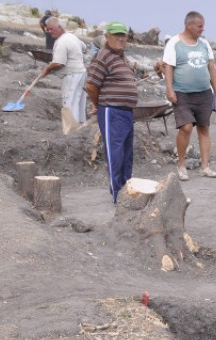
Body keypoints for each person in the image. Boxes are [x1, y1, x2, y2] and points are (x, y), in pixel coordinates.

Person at [163, 11, 216, 181]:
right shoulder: (174, 43)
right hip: (182, 94)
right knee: (186, 127)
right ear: (189, 25)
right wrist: (169, 89)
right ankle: (181, 164)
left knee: (204, 128)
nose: (202, 29)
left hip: (204, 93)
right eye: (200, 26)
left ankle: (205, 166)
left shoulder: (204, 44)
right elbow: (168, 68)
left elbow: (211, 69)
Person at [85, 22, 138, 204]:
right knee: (115, 155)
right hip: (112, 111)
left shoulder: (122, 57)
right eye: (116, 35)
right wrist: (97, 104)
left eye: (123, 35)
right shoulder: (103, 56)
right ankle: (118, 197)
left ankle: (127, 194)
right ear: (107, 37)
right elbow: (91, 85)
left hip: (126, 113)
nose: (121, 39)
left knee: (126, 155)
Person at [37, 17, 87, 125]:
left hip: (72, 76)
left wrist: (48, 68)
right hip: (81, 73)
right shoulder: (71, 36)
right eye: (48, 29)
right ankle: (80, 125)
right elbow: (84, 47)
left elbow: (59, 63)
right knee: (78, 102)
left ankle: (70, 128)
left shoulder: (61, 42)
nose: (49, 32)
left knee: (69, 103)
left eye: (51, 29)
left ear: (60, 27)